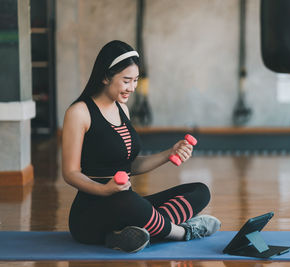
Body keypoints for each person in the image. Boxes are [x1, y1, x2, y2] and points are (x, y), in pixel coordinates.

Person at [62, 40, 221, 253]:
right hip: (90, 214)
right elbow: (70, 173)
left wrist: (169, 153)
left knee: (200, 191)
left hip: (125, 205)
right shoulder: (79, 113)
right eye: (126, 80)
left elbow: (130, 165)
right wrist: (105, 189)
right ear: (105, 77)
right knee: (129, 200)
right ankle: (184, 232)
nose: (132, 88)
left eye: (136, 80)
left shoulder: (122, 110)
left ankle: (131, 234)